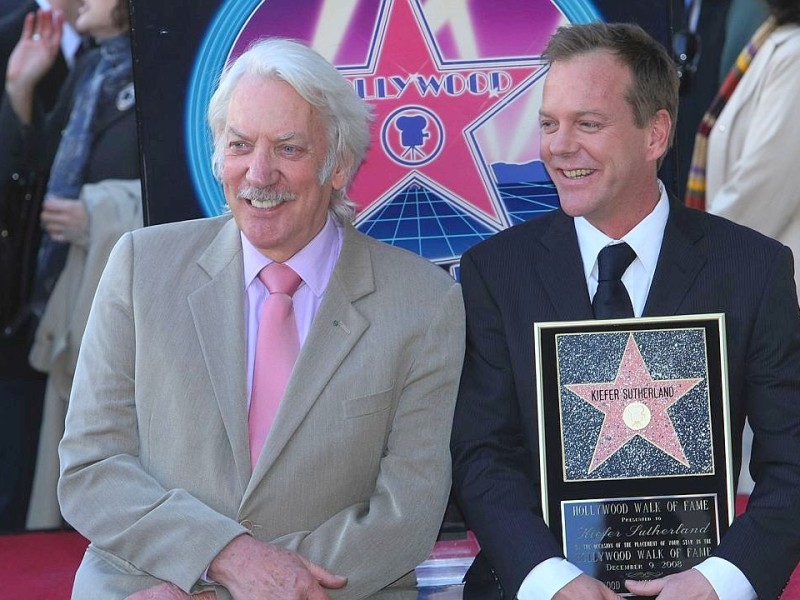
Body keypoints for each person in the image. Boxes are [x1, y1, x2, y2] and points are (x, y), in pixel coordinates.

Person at [57, 37, 465, 599]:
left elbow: (408, 510)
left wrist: (256, 586)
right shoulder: (139, 266)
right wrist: (222, 557)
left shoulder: (423, 300)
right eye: (240, 145)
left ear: (338, 164)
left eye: (289, 149)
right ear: (218, 156)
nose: (259, 173)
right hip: (147, 586)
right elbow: (92, 466)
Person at [451, 21, 800, 600]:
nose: (559, 146)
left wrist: (718, 582)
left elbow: (792, 460)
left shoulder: (752, 269)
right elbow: (482, 456)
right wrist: (552, 582)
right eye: (548, 124)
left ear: (655, 134)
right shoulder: (497, 272)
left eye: (587, 124)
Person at [1, 0, 141, 530]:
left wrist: (99, 212)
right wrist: (19, 88)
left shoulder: (165, 77)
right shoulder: (92, 66)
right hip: (66, 298)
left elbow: (188, 194)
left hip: (127, 316)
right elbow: (38, 172)